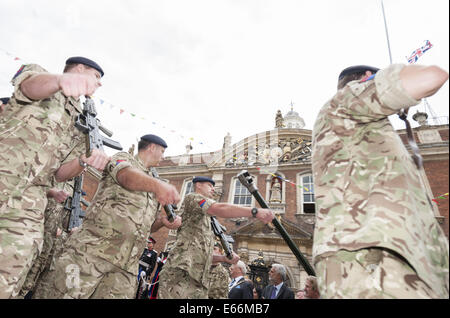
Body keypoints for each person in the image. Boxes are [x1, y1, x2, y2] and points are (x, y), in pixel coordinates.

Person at [311, 63, 449, 298]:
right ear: (367, 78)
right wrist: (388, 76)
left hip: (402, 256)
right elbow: (433, 76)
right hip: (372, 257)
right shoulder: (346, 99)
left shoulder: (364, 125)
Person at [0, 56, 110, 299]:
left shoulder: (76, 118)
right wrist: (63, 80)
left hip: (29, 202)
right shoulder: (40, 75)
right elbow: (29, 86)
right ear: (79, 69)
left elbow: (58, 173)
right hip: (4, 176)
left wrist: (83, 161)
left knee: (9, 276)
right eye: (96, 77)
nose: (99, 84)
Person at [33, 134, 181, 299]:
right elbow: (125, 177)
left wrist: (161, 222)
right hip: (91, 255)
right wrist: (158, 186)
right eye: (162, 151)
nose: (164, 156)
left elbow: (146, 228)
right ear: (152, 147)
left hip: (125, 269)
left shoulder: (154, 183)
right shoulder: (124, 160)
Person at [158, 176, 275, 299]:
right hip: (181, 273)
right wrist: (255, 212)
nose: (213, 189)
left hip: (197, 279)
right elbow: (218, 208)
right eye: (209, 185)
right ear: (198, 185)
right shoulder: (193, 198)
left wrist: (223, 258)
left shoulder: (206, 220)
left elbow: (202, 253)